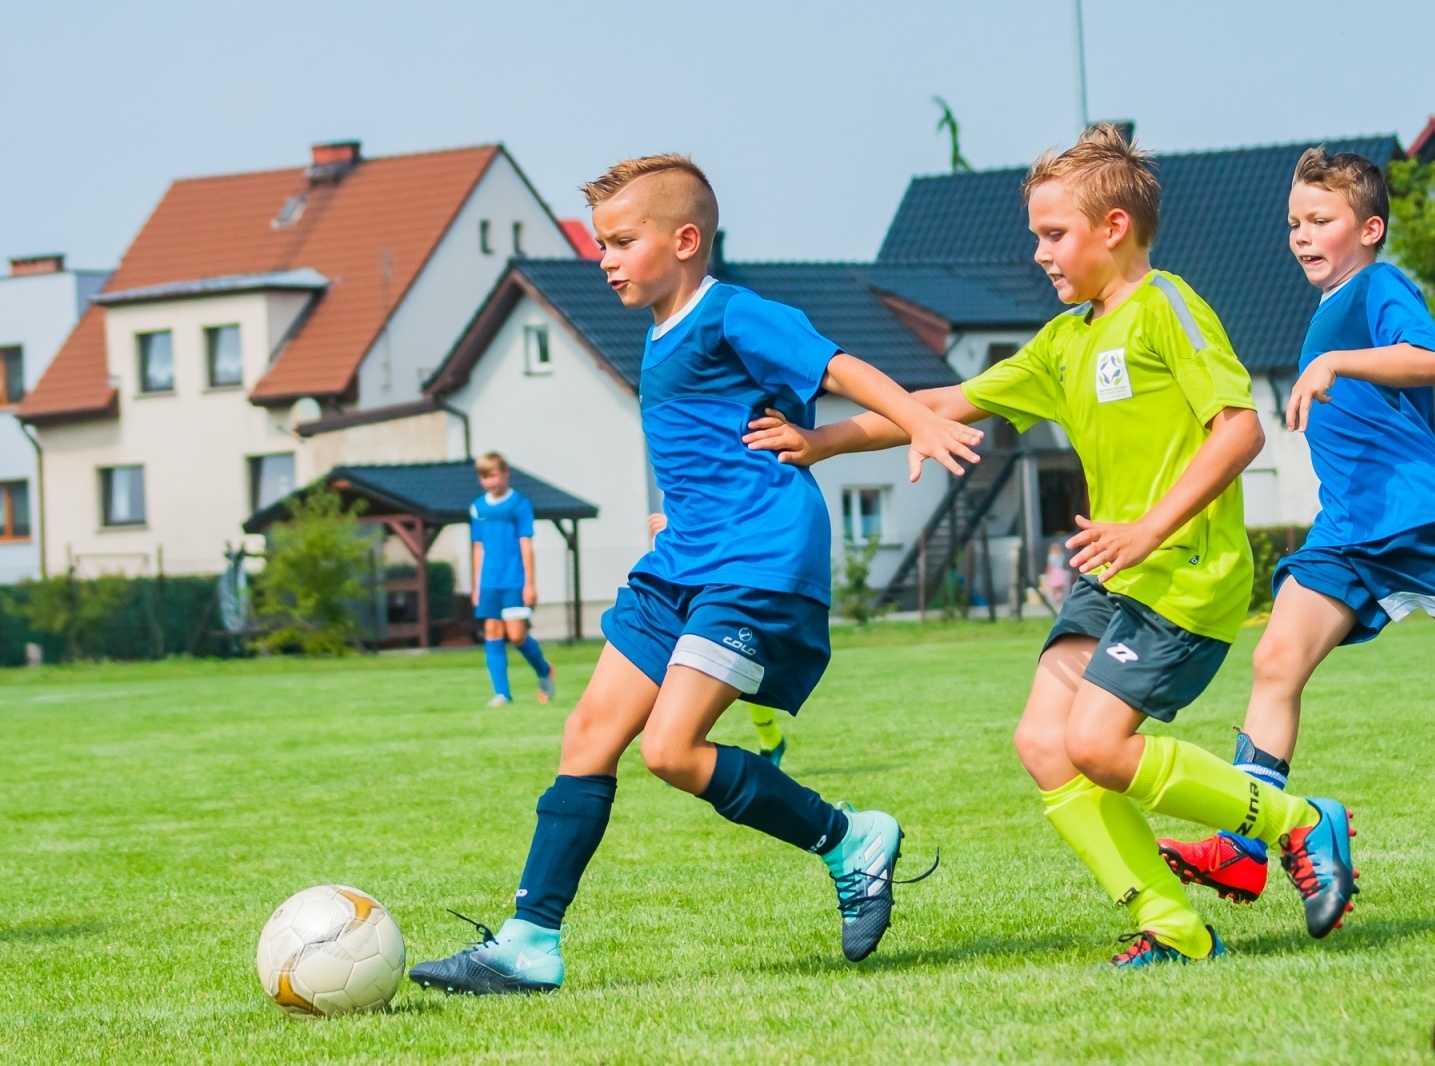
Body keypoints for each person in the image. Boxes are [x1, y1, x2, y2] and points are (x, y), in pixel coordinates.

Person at [745, 125, 1359, 966]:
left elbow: (1240, 430)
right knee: (1043, 743)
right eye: (1035, 235)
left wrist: (1151, 525)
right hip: (1114, 570)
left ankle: (1299, 821)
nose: (1038, 253)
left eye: (1052, 234)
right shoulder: (1065, 340)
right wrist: (823, 443)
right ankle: (1173, 927)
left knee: (1099, 746)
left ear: (1113, 228)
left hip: (1181, 572)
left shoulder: (1168, 306)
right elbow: (943, 402)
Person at [410, 154, 974, 995]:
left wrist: (919, 422)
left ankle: (851, 839)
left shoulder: (732, 313)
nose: (604, 259)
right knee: (588, 736)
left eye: (621, 242)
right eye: (601, 244)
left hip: (756, 560)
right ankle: (530, 943)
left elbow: (838, 365)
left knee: (671, 750)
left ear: (684, 240)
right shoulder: (660, 333)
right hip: (682, 560)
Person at [1156, 148, 1435, 904]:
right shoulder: (1331, 310)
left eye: (1319, 220)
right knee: (1276, 662)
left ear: (1370, 228)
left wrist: (1338, 369)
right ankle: (1241, 844)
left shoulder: (1377, 287)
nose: (1300, 235)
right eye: (1294, 222)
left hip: (1414, 523)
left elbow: (1432, 360)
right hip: (1346, 532)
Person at [651, 511, 789, 765]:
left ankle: (770, 739)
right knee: (680, 671)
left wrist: (674, 528)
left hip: (730, 592)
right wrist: (669, 534)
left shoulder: (739, 491)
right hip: (690, 594)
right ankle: (678, 749)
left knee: (739, 671)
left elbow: (727, 529)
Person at [470, 452, 554, 707]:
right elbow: (478, 547)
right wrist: (476, 585)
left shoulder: (519, 504)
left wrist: (530, 583)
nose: (490, 481)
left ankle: (544, 670)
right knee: (492, 631)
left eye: (493, 475)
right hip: (489, 582)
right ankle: (502, 694)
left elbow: (526, 544)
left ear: (505, 473)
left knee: (516, 635)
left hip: (514, 580)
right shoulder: (478, 507)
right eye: (484, 477)